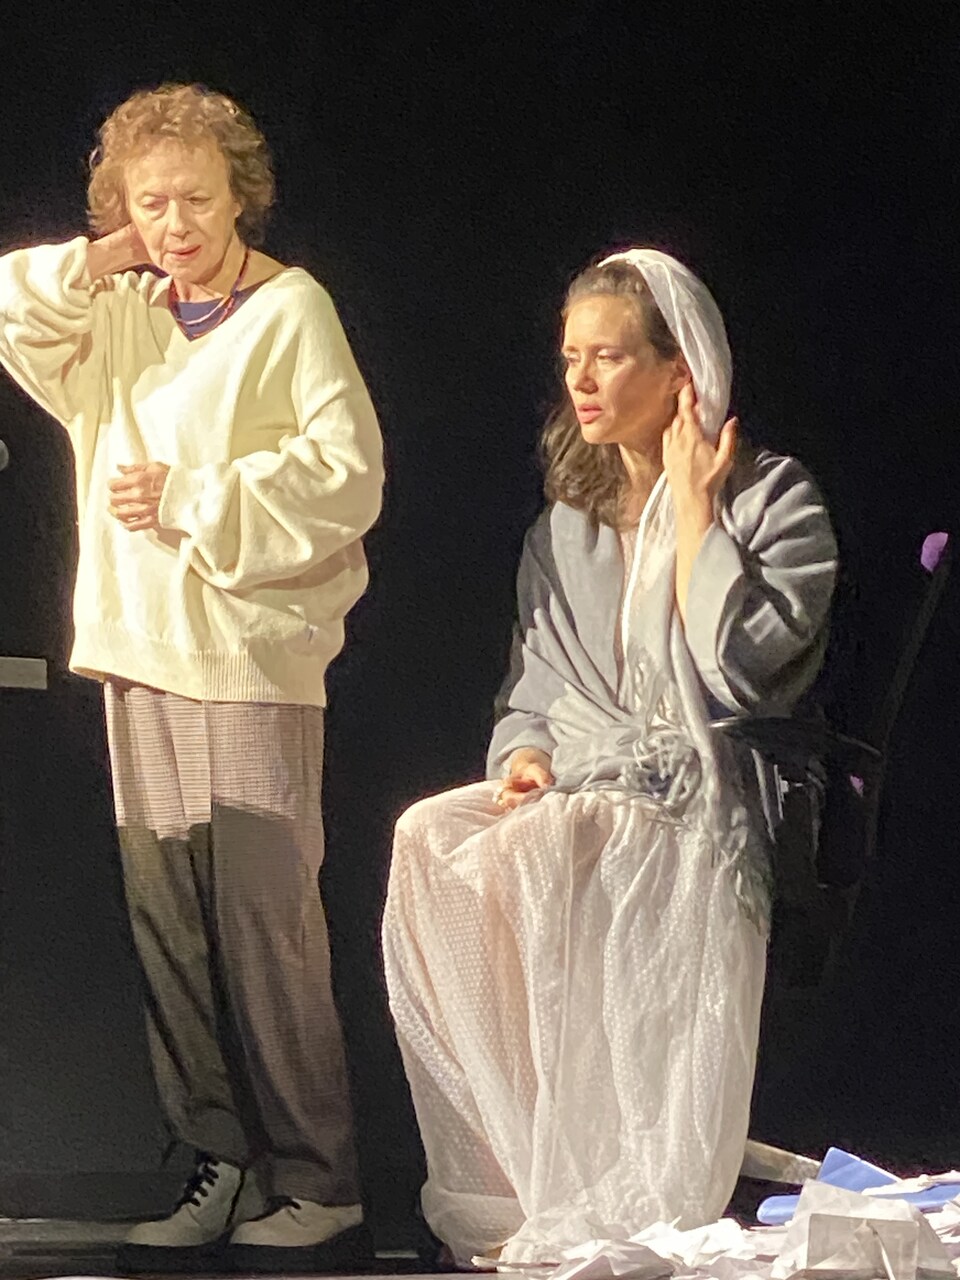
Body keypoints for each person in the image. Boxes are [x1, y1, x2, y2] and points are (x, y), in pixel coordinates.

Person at [382, 248, 837, 1266]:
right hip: (590, 779)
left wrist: (696, 519)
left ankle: (621, 1180)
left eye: (610, 356)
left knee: (567, 839)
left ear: (681, 371)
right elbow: (534, 686)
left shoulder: (777, 502)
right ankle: (522, 1175)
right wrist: (527, 755)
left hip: (715, 786)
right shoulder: (566, 526)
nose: (582, 381)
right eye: (571, 358)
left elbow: (744, 675)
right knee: (430, 834)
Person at [0, 84, 383, 1273]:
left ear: (240, 197)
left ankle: (319, 1176)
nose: (176, 225)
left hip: (251, 661)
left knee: (266, 931)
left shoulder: (290, 309)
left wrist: (190, 496)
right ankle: (221, 1161)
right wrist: (101, 253)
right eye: (152, 203)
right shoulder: (118, 310)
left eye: (197, 200)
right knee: (171, 930)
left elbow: (347, 474)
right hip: (140, 654)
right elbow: (10, 307)